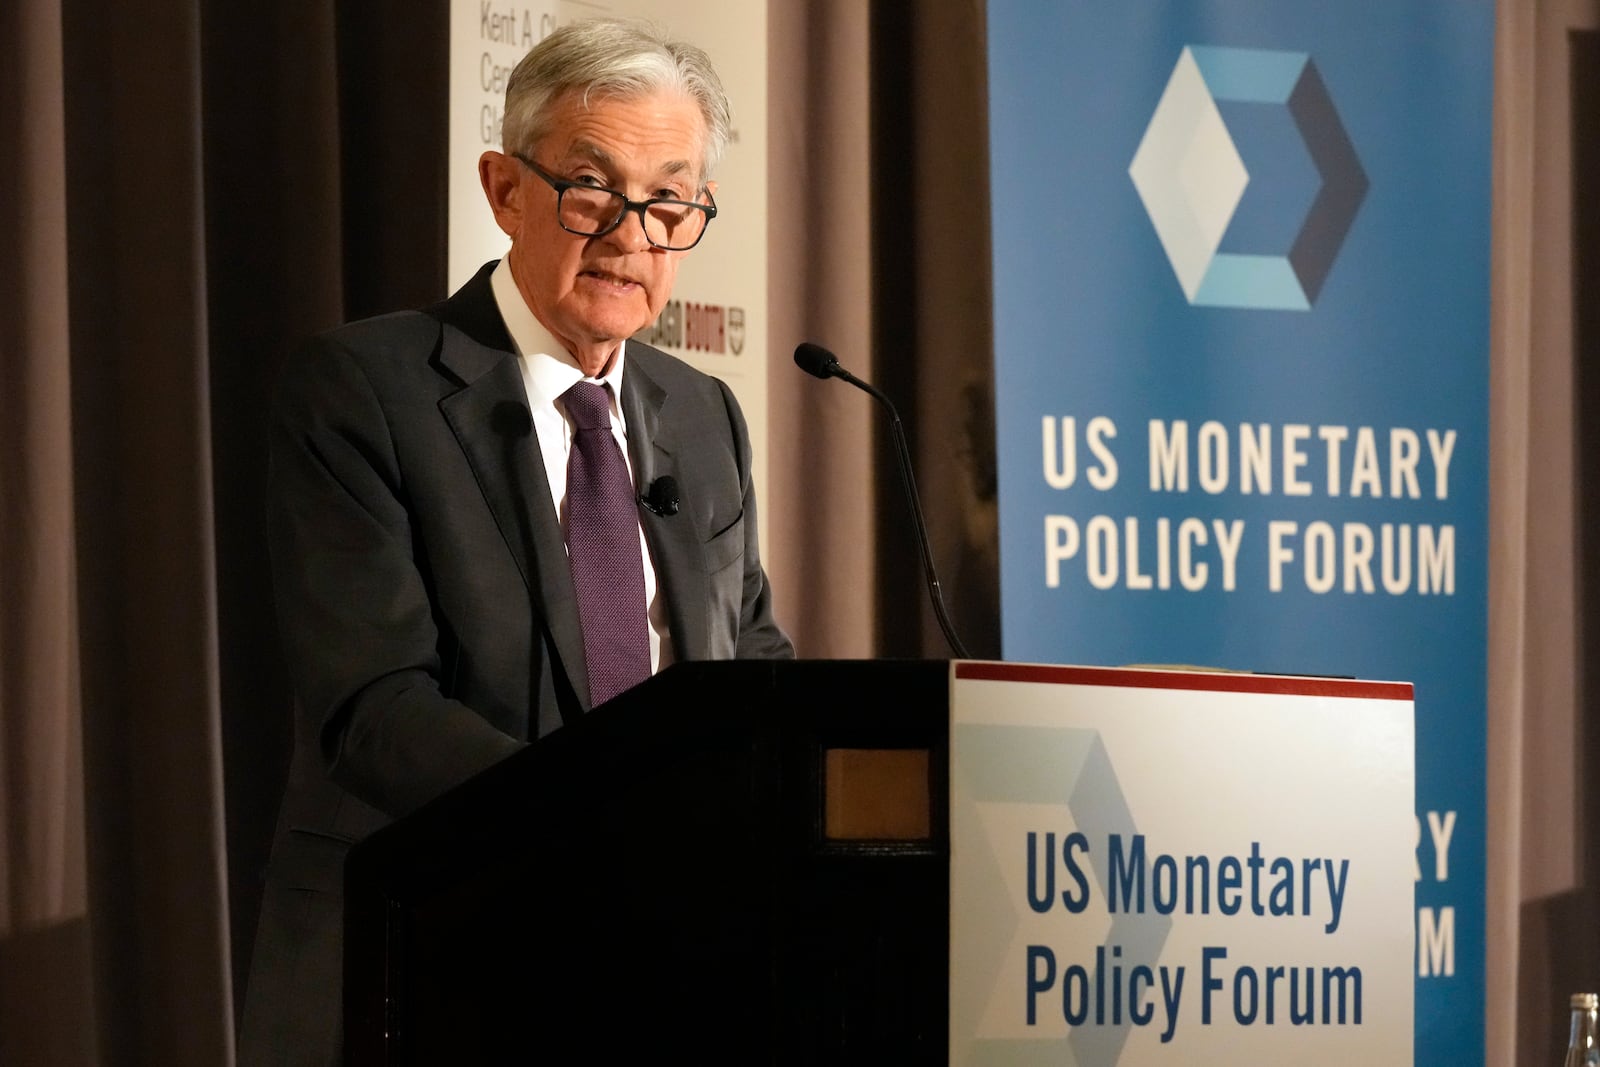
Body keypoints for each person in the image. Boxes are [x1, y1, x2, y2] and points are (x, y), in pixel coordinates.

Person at [238, 18, 793, 1064]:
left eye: (670, 200)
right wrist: (610, 828)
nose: (633, 235)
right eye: (593, 189)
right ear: (504, 190)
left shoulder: (701, 414)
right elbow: (374, 705)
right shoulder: (367, 389)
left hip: (662, 970)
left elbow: (746, 664)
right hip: (435, 951)